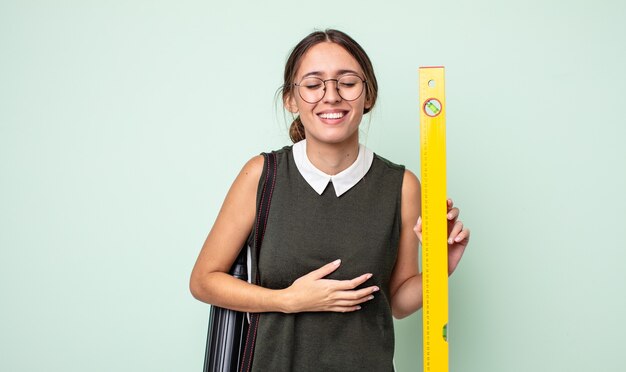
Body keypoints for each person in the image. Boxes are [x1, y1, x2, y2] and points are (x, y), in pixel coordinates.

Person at [190, 29, 470, 371]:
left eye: (347, 82)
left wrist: (441, 268)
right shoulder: (262, 175)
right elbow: (203, 280)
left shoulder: (402, 186)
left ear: (368, 96)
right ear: (291, 100)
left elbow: (396, 301)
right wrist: (287, 300)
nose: (331, 96)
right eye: (313, 84)